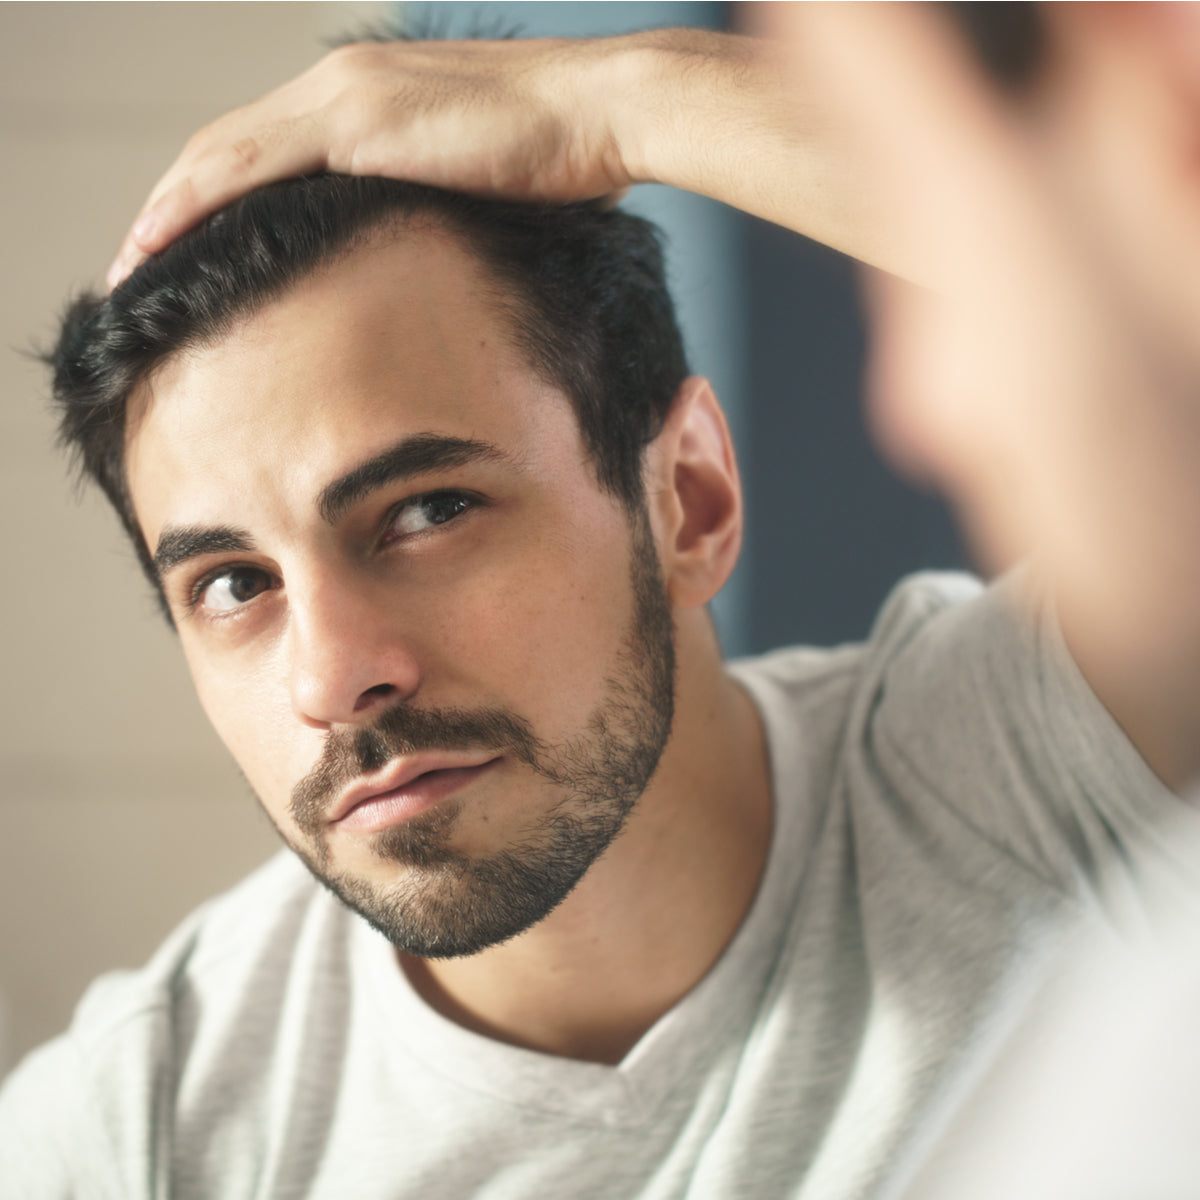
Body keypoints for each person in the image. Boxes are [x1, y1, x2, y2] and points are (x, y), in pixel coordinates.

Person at [3, 8, 1200, 1198]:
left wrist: (607, 102)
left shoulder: (1050, 765)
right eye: (232, 584)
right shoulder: (134, 1137)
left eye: (426, 512)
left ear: (689, 495)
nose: (332, 678)